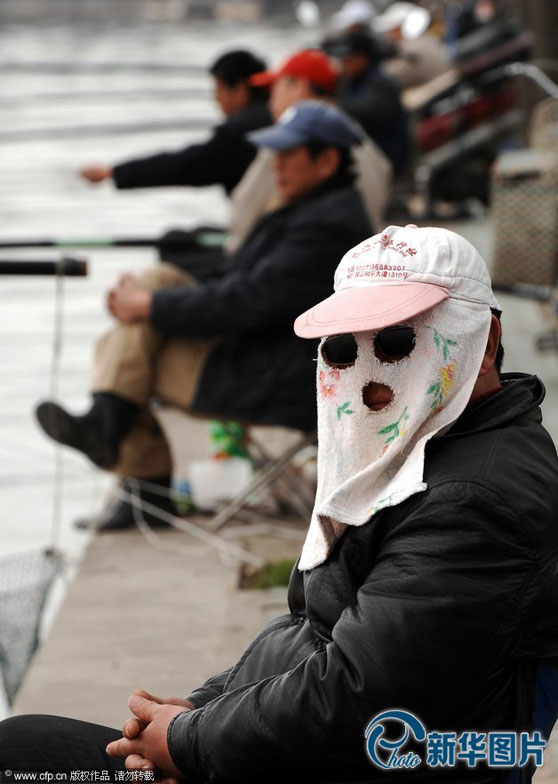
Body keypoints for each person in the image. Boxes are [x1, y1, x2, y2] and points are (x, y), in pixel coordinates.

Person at [3, 225, 558, 780]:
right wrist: (202, 710)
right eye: (343, 349)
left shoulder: (472, 501)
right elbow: (309, 627)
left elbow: (357, 696)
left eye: (396, 342)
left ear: (483, 343)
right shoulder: (421, 453)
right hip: (293, 748)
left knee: (23, 757)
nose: (370, 378)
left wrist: (189, 740)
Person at [35, 101, 372, 530]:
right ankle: (113, 433)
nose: (275, 166)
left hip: (281, 380)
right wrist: (149, 295)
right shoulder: (316, 206)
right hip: (268, 357)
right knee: (154, 286)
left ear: (326, 161)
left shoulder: (326, 225)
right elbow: (243, 276)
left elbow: (248, 301)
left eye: (287, 156)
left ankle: (132, 464)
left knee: (133, 352)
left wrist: (148, 306)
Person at [227, 48, 392, 254]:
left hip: (310, 260)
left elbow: (242, 220)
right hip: (360, 258)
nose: (270, 103)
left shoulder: (291, 143)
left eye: (274, 90)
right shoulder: (355, 134)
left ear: (299, 86)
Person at [80, 49, 271, 196]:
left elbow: (186, 166)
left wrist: (113, 173)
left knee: (175, 239)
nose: (215, 99)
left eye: (218, 89)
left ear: (239, 88)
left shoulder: (240, 132)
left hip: (270, 237)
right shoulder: (278, 117)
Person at [326, 28, 410, 174]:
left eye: (349, 58)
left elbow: (364, 113)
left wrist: (332, 105)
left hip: (388, 156)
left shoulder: (381, 82)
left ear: (363, 57)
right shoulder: (350, 80)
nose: (344, 63)